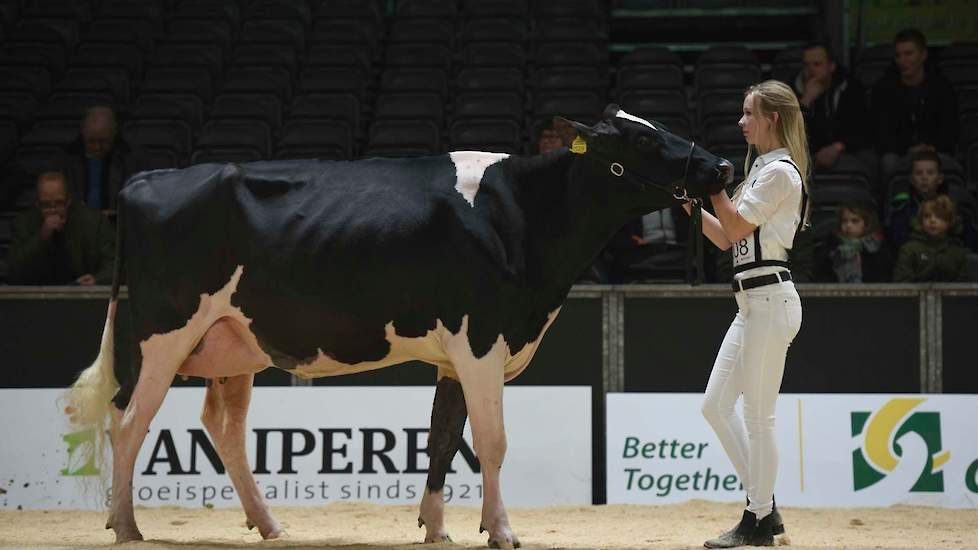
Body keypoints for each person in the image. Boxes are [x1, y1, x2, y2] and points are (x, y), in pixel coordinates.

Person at [682, 80, 807, 548]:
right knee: (715, 406)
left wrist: (716, 192)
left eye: (748, 113)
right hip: (752, 302)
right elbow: (726, 237)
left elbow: (733, 224)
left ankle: (756, 520)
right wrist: (691, 205)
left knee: (759, 418)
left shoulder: (779, 173)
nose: (741, 121)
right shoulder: (761, 170)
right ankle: (765, 507)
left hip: (770, 301)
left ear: (771, 118)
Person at [872, 29, 958, 186]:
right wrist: (907, 149)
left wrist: (932, 147)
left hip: (935, 151)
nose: (903, 60)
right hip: (899, 153)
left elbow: (950, 126)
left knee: (950, 163)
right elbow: (881, 132)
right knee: (888, 162)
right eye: (898, 55)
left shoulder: (941, 87)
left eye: (909, 54)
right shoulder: (884, 89)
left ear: (923, 55)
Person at [7, 171, 115, 285]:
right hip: (36, 296)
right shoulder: (23, 224)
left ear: (68, 201)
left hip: (83, 295)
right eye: (46, 204)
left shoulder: (94, 222)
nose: (53, 210)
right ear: (37, 204)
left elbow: (114, 265)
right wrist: (41, 237)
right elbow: (13, 271)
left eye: (59, 203)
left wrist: (96, 279)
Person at [794, 42, 870, 171]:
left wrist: (838, 147)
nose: (811, 70)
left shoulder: (851, 88)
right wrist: (806, 100)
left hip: (846, 150)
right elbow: (789, 133)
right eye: (806, 65)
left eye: (817, 64)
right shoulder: (793, 90)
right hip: (808, 153)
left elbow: (862, 129)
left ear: (831, 66)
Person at [62, 106, 144, 216]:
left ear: (114, 132)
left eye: (104, 141)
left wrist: (117, 214)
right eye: (91, 141)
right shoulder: (65, 159)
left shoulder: (130, 160)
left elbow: (140, 203)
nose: (97, 147)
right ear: (83, 132)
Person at [893, 195, 969, 282]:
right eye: (927, 216)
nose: (932, 220)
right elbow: (902, 283)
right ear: (921, 220)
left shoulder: (960, 253)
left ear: (950, 221)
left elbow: (964, 287)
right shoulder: (909, 250)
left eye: (939, 216)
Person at [816, 203, 893, 282]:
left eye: (855, 221)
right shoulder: (830, 247)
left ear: (866, 224)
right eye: (844, 221)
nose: (848, 225)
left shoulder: (877, 248)